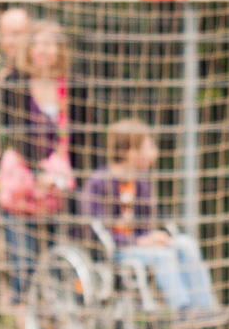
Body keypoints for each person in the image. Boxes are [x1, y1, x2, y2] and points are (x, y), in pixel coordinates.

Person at [79, 119, 217, 314]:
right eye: (149, 147)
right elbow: (95, 233)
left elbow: (147, 225)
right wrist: (140, 241)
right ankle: (183, 312)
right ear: (131, 153)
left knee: (186, 244)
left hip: (141, 246)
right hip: (116, 250)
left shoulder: (142, 185)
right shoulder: (98, 183)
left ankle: (206, 310)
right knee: (163, 256)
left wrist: (155, 237)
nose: (154, 153)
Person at [0, 21, 81, 306]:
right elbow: (12, 132)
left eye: (51, 43)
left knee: (61, 261)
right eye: (39, 43)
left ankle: (59, 328)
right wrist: (37, 171)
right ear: (29, 49)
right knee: (23, 263)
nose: (44, 50)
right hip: (23, 184)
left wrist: (67, 176)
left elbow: (81, 137)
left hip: (60, 188)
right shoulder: (15, 83)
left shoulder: (71, 87)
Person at [0, 6, 32, 85]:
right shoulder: (5, 74)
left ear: (30, 33)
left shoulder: (38, 73)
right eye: (3, 35)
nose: (8, 41)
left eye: (16, 34)